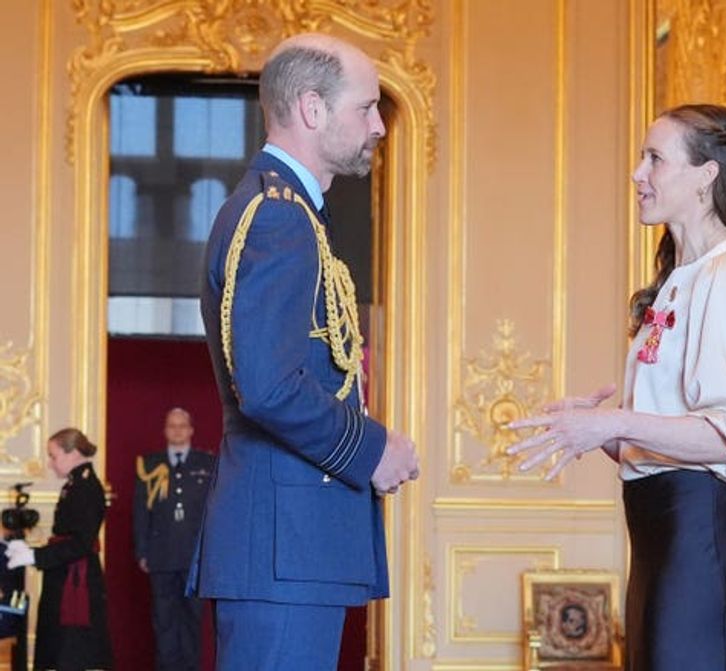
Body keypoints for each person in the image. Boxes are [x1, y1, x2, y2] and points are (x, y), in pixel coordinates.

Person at [508, 104, 726, 670]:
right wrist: (598, 433)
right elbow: (670, 444)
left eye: (655, 159)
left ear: (706, 176)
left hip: (702, 539)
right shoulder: (676, 283)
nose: (639, 173)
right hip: (662, 541)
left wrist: (615, 422)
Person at [191, 33, 420, 670]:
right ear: (313, 109)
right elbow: (267, 386)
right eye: (367, 107)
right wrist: (373, 450)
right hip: (281, 548)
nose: (378, 125)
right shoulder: (277, 217)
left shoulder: (286, 212)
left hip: (287, 547)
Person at [5, 428, 113, 671]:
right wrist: (33, 551)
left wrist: (35, 556)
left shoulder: (85, 487)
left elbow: (80, 543)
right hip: (66, 575)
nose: (51, 464)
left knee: (71, 651)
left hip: (76, 582)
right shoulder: (75, 483)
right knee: (59, 648)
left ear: (73, 453)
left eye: (53, 456)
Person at [133, 408, 214, 671]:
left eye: (182, 426)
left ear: (191, 430)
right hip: (161, 555)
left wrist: (211, 553)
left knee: (192, 621)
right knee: (164, 622)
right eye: (172, 426)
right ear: (165, 430)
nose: (177, 430)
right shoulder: (149, 466)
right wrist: (142, 551)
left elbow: (213, 512)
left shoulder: (207, 463)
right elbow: (140, 512)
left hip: (194, 558)